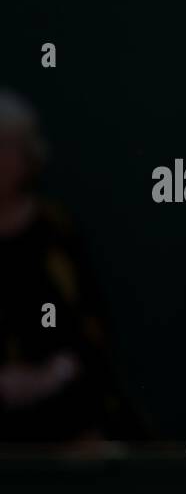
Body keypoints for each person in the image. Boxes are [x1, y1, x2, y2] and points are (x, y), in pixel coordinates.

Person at [0, 90, 136, 448]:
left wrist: (51, 375)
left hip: (59, 404)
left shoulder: (57, 234)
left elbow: (87, 326)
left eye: (9, 146)